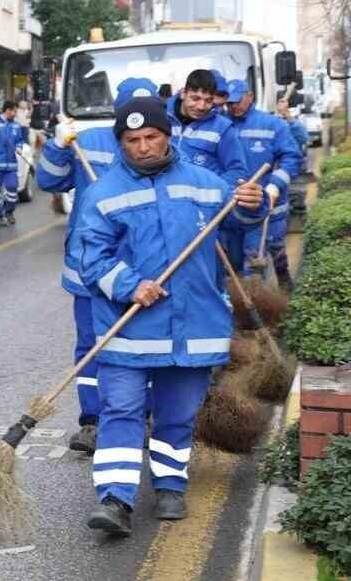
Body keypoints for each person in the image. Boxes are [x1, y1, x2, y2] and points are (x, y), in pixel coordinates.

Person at [75, 96, 265, 536]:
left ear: (168, 135)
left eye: (151, 137)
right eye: (132, 140)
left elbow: (238, 223)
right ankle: (115, 499)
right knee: (120, 410)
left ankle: (169, 486)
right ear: (121, 143)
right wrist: (130, 284)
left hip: (193, 329)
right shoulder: (103, 194)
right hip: (129, 331)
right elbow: (90, 257)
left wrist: (251, 205)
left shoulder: (205, 184)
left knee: (178, 414)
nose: (142, 147)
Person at [35, 75, 159, 454]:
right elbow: (49, 182)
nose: (138, 124)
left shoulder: (161, 148)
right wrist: (57, 147)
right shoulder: (86, 143)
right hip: (89, 272)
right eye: (129, 113)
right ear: (117, 111)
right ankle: (92, 422)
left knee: (146, 345)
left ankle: (143, 416)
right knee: (91, 347)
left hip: (144, 272)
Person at [228, 78, 301, 287]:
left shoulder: (273, 125)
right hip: (237, 206)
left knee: (275, 245)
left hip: (271, 204)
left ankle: (284, 280)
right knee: (251, 258)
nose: (233, 106)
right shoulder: (223, 126)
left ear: (250, 96)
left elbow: (292, 158)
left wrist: (274, 185)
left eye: (238, 101)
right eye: (229, 103)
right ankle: (254, 303)